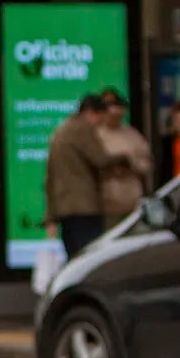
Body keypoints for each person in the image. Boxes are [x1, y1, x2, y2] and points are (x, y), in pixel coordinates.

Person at [44, 94, 131, 259]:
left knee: (74, 255)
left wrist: (50, 215)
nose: (100, 124)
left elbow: (50, 176)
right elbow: (100, 159)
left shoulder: (61, 131)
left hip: (64, 207)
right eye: (100, 117)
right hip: (84, 205)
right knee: (90, 255)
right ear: (91, 113)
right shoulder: (82, 129)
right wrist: (125, 158)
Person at [96, 88, 152, 227]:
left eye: (118, 107)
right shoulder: (95, 136)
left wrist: (133, 164)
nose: (114, 112)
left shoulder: (132, 134)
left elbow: (148, 163)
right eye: (109, 108)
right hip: (106, 203)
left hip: (133, 202)